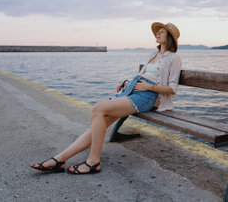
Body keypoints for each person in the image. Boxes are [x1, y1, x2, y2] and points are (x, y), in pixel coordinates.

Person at [31, 22, 181, 174]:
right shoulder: (153, 55)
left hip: (147, 96)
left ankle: (93, 162)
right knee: (98, 122)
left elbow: (172, 89)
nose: (157, 34)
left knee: (98, 109)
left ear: (170, 37)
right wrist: (127, 83)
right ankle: (59, 159)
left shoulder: (174, 58)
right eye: (157, 32)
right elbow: (144, 76)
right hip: (133, 91)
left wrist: (150, 87)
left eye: (162, 32)